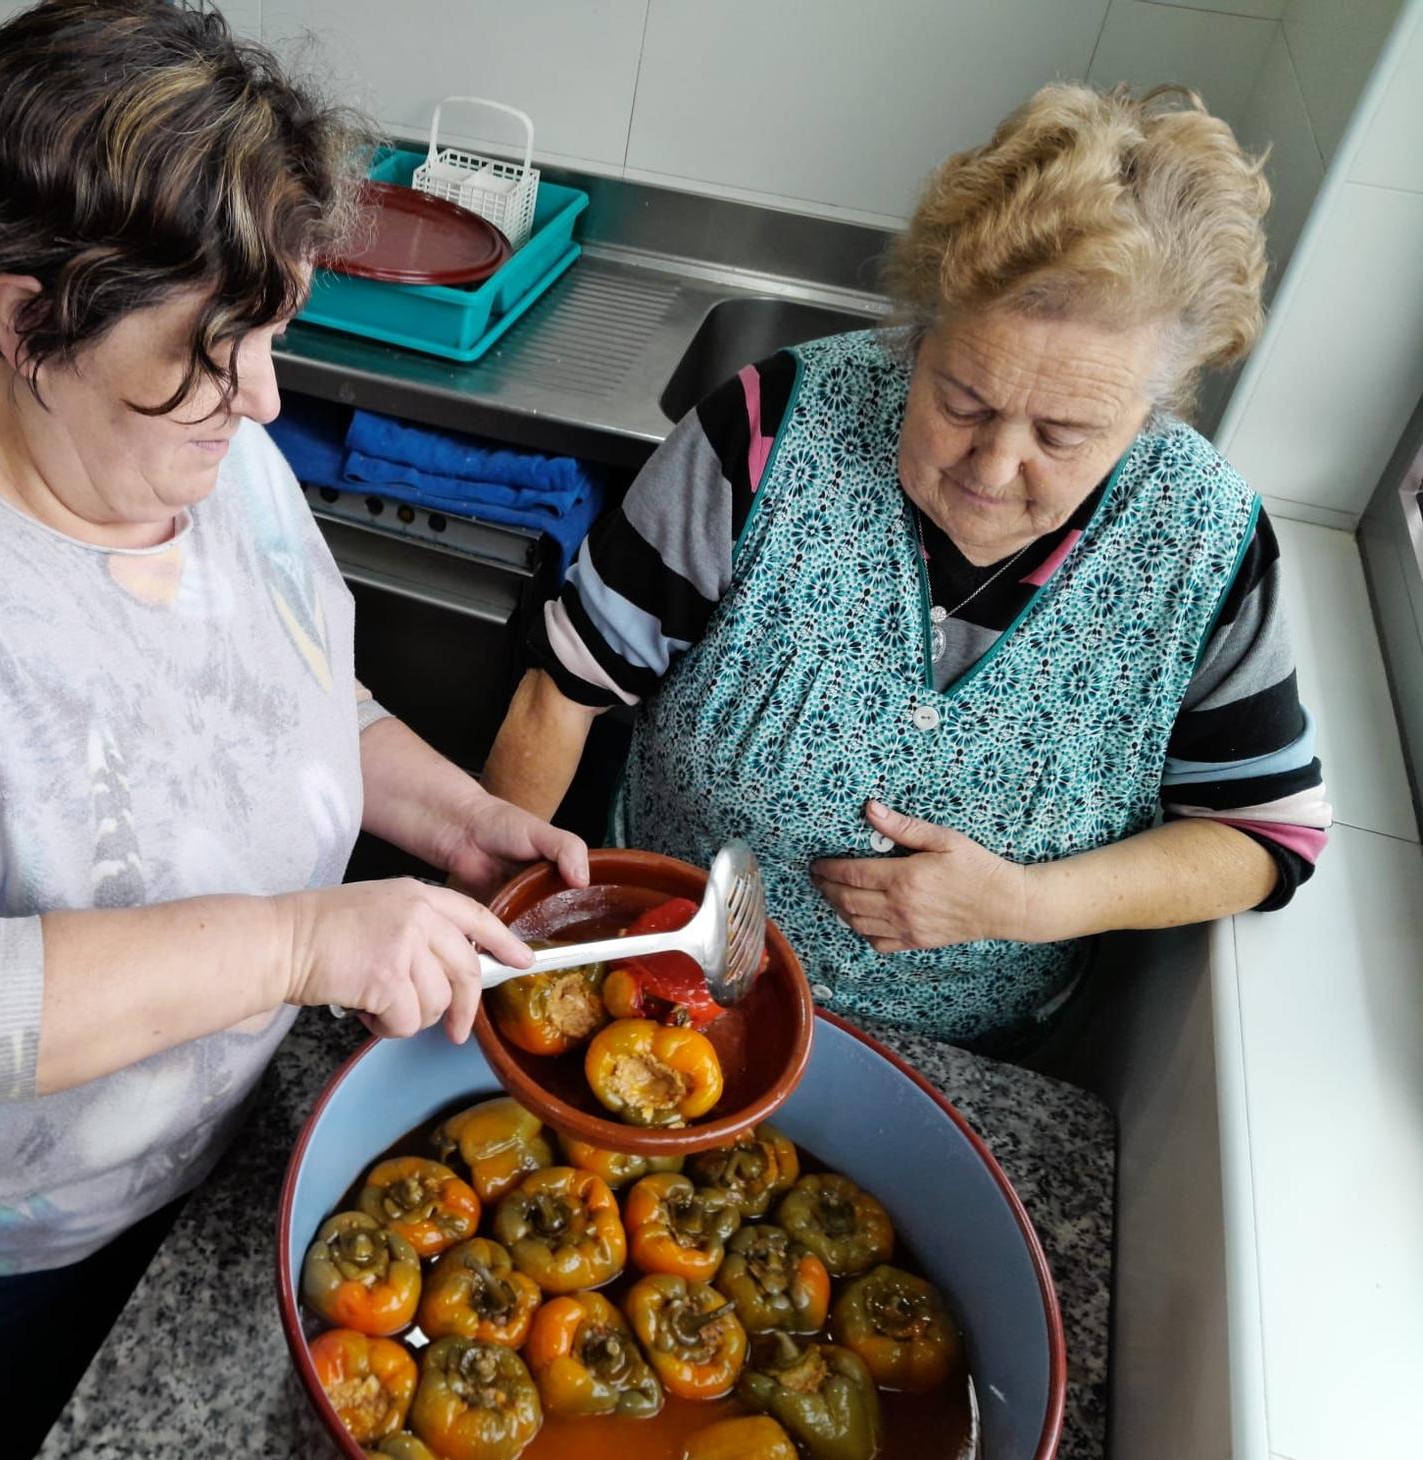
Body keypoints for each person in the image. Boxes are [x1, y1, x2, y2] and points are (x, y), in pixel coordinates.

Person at [0, 5, 584, 1460]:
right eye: (215, 353)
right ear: (25, 318)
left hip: (205, 1133)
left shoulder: (194, 449)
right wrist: (303, 941)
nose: (269, 399)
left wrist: (454, 816)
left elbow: (309, 698)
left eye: (273, 336)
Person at [484, 83, 1331, 1057]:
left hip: (960, 1059)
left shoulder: (1201, 542)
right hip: (654, 995)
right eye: (962, 399)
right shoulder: (761, 433)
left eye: (1062, 433)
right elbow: (561, 697)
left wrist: (1022, 903)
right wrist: (489, 944)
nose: (993, 466)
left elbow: (1266, 838)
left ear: (1150, 410)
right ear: (917, 332)